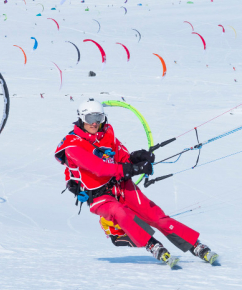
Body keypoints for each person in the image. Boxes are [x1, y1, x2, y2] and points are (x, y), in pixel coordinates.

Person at [55, 99, 218, 268]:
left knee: (156, 216)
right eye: (90, 118)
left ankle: (195, 245)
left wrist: (138, 158)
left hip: (122, 186)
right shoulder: (72, 146)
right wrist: (131, 169)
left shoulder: (106, 134)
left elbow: (122, 158)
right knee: (120, 212)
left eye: (99, 117)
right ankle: (152, 244)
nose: (95, 123)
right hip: (98, 196)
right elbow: (99, 168)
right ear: (81, 118)